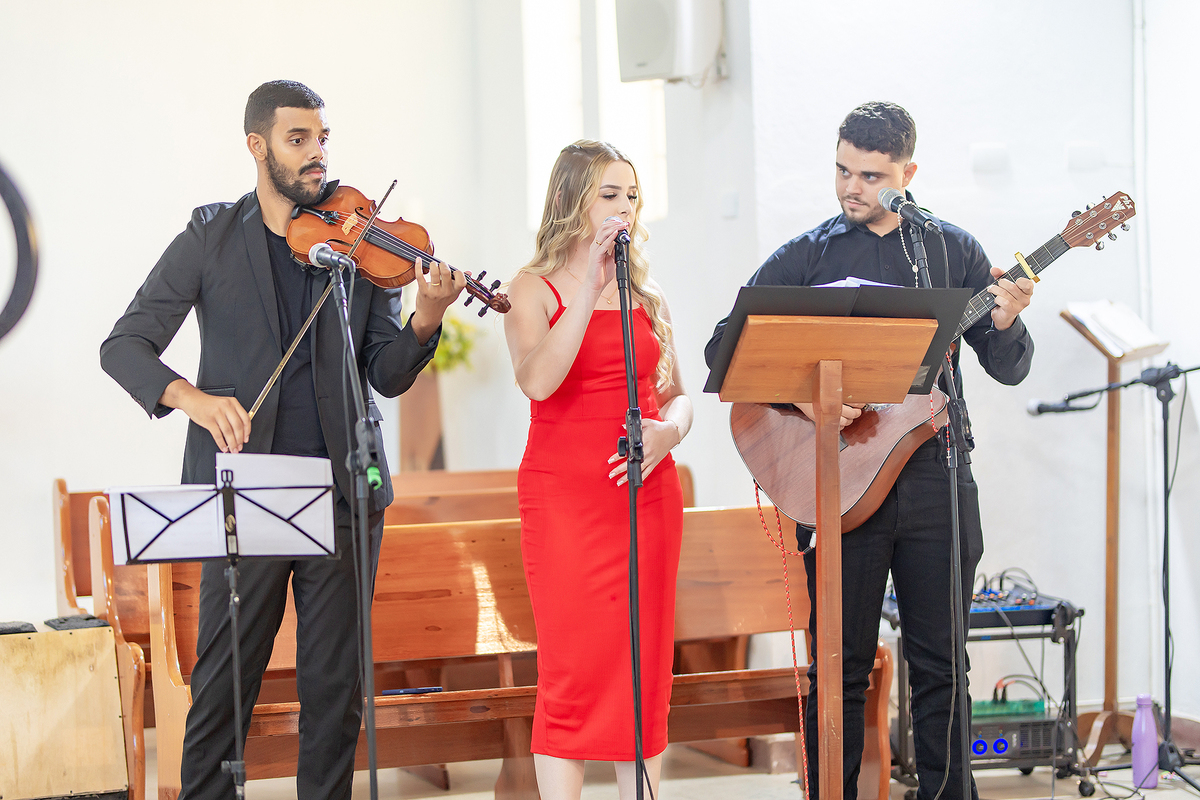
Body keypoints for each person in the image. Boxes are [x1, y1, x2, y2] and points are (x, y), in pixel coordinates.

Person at [100, 80, 465, 800]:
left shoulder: (360, 242)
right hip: (245, 496)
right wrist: (195, 400)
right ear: (257, 146)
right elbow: (125, 346)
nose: (316, 154)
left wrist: (425, 318)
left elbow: (385, 373)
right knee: (224, 686)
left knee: (334, 691)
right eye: (298, 139)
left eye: (322, 138)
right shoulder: (211, 236)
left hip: (344, 491)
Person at [705, 101, 1035, 800]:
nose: (851, 188)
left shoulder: (950, 250)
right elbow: (723, 349)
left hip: (936, 475)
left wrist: (1006, 321)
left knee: (942, 663)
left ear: (908, 175)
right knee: (840, 664)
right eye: (842, 170)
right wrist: (807, 399)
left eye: (871, 176)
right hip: (840, 478)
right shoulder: (808, 255)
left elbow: (1007, 366)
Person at [503, 140, 693, 800]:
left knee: (644, 667)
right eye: (609, 195)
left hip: (647, 493)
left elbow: (677, 394)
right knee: (573, 668)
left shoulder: (647, 294)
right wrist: (588, 285)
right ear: (569, 200)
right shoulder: (530, 288)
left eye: (632, 196)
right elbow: (539, 381)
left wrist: (670, 432)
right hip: (566, 499)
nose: (624, 209)